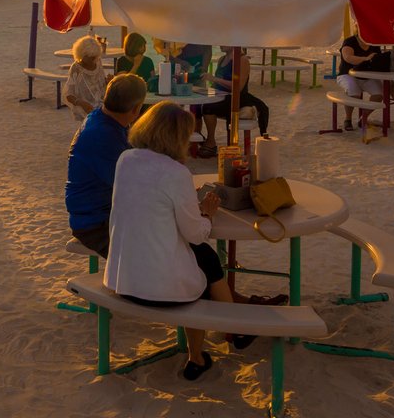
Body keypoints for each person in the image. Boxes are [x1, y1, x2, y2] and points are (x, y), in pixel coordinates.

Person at [104, 101, 255, 381]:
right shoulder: (176, 173)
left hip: (123, 279)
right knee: (205, 256)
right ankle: (206, 348)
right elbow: (195, 233)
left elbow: (153, 207)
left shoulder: (126, 160)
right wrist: (207, 214)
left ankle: (231, 332)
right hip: (160, 290)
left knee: (205, 258)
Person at [64, 73, 148, 257]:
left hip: (102, 213)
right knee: (156, 252)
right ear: (136, 109)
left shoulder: (103, 118)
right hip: (95, 224)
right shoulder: (103, 135)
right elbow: (130, 185)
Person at [200, 46, 269, 152]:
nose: (220, 44)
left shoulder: (242, 60)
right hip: (220, 95)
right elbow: (217, 82)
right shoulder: (222, 59)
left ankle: (210, 142)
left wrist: (215, 79)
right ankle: (209, 139)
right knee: (203, 105)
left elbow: (238, 87)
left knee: (208, 107)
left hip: (237, 98)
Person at [336, 33, 383, 132]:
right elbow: (348, 58)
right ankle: (348, 119)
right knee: (354, 92)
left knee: (379, 94)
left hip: (367, 76)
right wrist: (365, 59)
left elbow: (378, 59)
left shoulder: (374, 43)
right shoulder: (350, 41)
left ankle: (363, 118)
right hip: (347, 74)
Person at [63, 36, 109, 123]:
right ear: (82, 55)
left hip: (101, 103)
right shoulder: (76, 68)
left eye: (95, 57)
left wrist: (109, 81)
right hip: (85, 107)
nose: (94, 60)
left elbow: (101, 84)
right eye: (91, 57)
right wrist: (82, 103)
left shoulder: (97, 62)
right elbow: (69, 95)